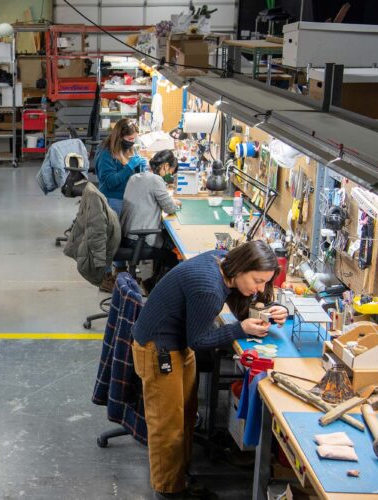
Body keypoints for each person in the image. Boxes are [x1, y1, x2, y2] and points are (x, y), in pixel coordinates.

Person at [131, 241, 288, 499]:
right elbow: (200, 341)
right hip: (158, 349)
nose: (260, 288)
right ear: (241, 269)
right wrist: (241, 329)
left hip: (177, 343)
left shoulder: (223, 262)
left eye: (264, 283)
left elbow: (239, 301)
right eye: (257, 281)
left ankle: (179, 476)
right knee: (168, 426)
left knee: (186, 416)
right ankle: (168, 490)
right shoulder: (208, 288)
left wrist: (272, 310)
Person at [95, 119, 148, 291]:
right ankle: (105, 277)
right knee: (111, 240)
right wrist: (129, 167)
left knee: (120, 238)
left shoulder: (125, 150)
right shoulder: (106, 153)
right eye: (130, 139)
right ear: (121, 137)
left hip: (124, 199)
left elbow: (129, 177)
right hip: (112, 200)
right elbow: (110, 182)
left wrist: (139, 168)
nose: (132, 143)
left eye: (134, 139)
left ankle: (120, 270)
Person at [120, 150, 182, 289]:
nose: (170, 176)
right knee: (173, 254)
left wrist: (168, 199)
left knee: (168, 243)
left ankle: (152, 282)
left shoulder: (135, 177)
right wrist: (174, 202)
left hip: (126, 236)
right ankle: (156, 289)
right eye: (171, 171)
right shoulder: (156, 180)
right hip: (139, 240)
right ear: (166, 166)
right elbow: (170, 209)